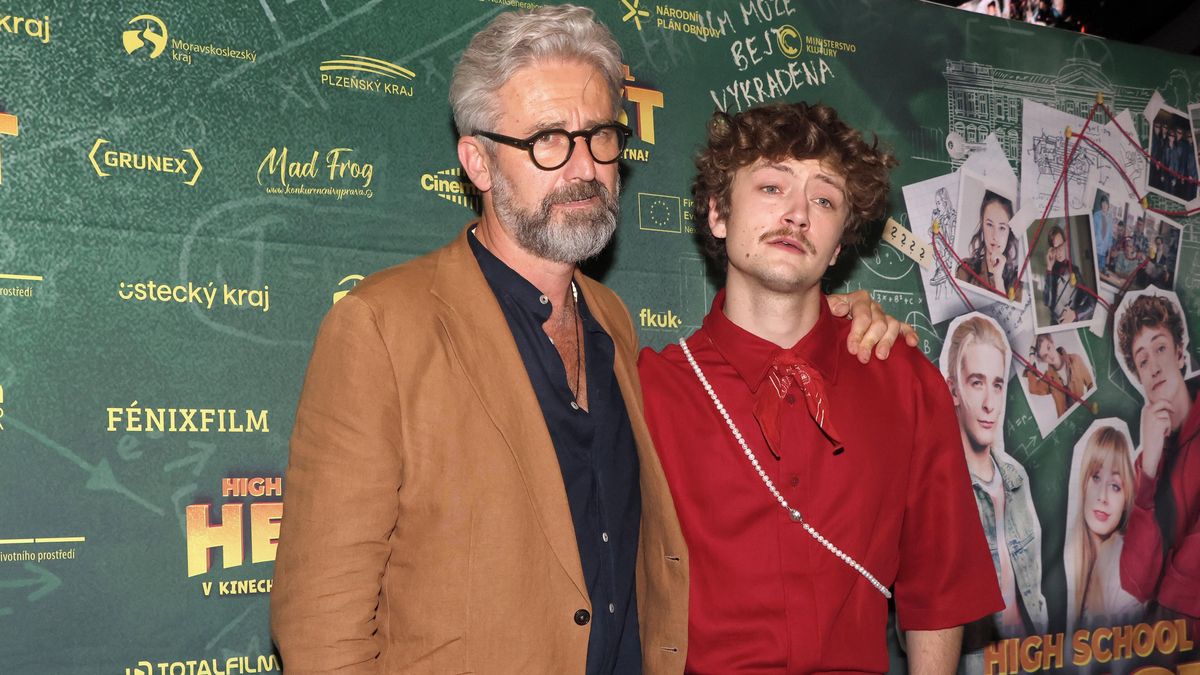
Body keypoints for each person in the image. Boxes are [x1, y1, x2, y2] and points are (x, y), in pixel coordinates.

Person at [270, 6, 908, 673]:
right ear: (478, 162)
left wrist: (829, 319)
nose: (584, 167)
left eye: (599, 136)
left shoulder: (611, 321)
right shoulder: (382, 328)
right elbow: (320, 624)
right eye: (548, 139)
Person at [638, 102, 999, 674]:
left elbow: (939, 589)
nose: (798, 214)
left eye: (824, 200)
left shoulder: (903, 380)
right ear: (718, 214)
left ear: (837, 247)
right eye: (772, 187)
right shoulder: (650, 391)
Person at [944, 315, 1049, 640]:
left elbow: (1034, 594)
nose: (990, 404)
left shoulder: (1015, 477)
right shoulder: (939, 489)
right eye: (977, 383)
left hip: (1032, 655)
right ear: (953, 390)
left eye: (998, 384)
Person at [1117, 292, 1200, 620]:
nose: (1153, 367)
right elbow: (1136, 583)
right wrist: (1149, 469)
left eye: (1160, 348)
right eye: (1142, 360)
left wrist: (1166, 595)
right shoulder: (1146, 463)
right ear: (1138, 377)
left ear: (1179, 353)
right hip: (1174, 640)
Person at [1064, 424, 1142, 634]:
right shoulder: (1075, 559)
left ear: (1126, 499)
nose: (1102, 497)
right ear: (1083, 483)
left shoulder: (1124, 564)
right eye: (1096, 477)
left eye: (1115, 486)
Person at [956, 190, 1023, 301]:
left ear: (1009, 231)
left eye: (1002, 228)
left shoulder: (1017, 283)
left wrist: (998, 278)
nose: (995, 236)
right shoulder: (966, 271)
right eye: (990, 225)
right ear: (982, 225)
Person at [1024, 333, 1095, 418]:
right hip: (1067, 422)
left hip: (1085, 414)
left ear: (1052, 342)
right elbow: (1033, 389)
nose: (1050, 356)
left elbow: (1091, 385)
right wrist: (1031, 356)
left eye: (1049, 348)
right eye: (1045, 356)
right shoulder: (1048, 378)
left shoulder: (1075, 360)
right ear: (1043, 360)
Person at [1042, 225, 1095, 324]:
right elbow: (1048, 302)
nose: (1059, 252)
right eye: (1055, 248)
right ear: (1051, 251)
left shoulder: (1074, 270)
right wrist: (1049, 268)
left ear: (1065, 244)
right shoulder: (1050, 274)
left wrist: (1075, 314)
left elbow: (1091, 303)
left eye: (1061, 246)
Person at [1092, 194, 1114, 270]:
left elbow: (1110, 237)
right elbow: (1093, 232)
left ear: (1108, 205)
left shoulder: (1110, 218)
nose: (1104, 205)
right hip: (1096, 249)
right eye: (1103, 203)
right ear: (1101, 204)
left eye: (1106, 204)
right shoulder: (1096, 215)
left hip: (1104, 252)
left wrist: (1108, 255)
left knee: (1101, 271)